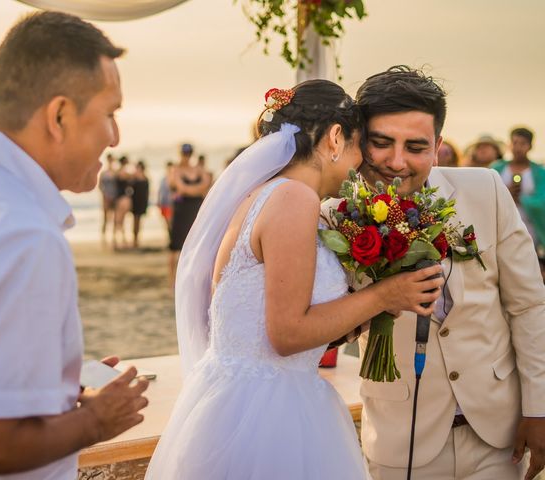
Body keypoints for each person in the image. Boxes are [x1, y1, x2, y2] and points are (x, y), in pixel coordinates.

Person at [145, 80, 444, 479]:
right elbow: (286, 334)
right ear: (336, 138)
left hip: (238, 401)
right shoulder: (294, 198)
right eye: (358, 146)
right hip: (269, 412)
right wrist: (384, 295)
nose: (360, 163)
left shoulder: (269, 193)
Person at [0, 12, 149, 480]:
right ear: (59, 116)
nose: (114, 137)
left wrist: (53, 380)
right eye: (109, 114)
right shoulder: (23, 238)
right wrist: (96, 419)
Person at [355, 65, 545, 480]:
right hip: (400, 437)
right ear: (360, 141)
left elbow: (529, 305)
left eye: (416, 146)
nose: (397, 161)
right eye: (382, 143)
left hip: (499, 435)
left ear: (438, 144)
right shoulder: (335, 215)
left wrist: (539, 407)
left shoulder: (485, 190)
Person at [490, 127, 545, 267]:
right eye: (515, 142)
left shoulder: (539, 172)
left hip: (529, 228)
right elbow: (487, 194)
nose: (518, 147)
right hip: (500, 225)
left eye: (523, 143)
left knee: (526, 264)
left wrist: (521, 199)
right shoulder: (496, 168)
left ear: (530, 146)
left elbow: (541, 201)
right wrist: (506, 193)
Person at [168, 143, 210, 287]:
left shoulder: (197, 169)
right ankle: (172, 280)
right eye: (184, 153)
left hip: (196, 209)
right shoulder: (175, 169)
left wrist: (188, 190)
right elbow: (181, 187)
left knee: (196, 243)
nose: (186, 156)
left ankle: (192, 278)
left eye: (189, 153)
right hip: (181, 210)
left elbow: (206, 184)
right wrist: (196, 190)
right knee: (175, 246)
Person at [99, 153, 119, 246]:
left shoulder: (115, 172)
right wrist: (104, 195)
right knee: (105, 219)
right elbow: (100, 186)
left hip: (115, 197)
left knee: (115, 218)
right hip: (106, 198)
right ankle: (104, 239)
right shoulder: (104, 173)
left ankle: (114, 238)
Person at [113, 155, 133, 250]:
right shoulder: (123, 172)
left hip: (120, 198)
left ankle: (118, 241)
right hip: (123, 198)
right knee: (120, 221)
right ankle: (121, 241)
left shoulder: (117, 172)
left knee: (118, 221)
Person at [130, 160, 150, 248]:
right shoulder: (135, 178)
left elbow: (147, 192)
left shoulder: (145, 178)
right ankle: (135, 240)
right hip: (136, 201)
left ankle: (137, 239)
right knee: (135, 221)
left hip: (141, 202)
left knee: (138, 221)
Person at [157, 161, 174, 239]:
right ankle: (170, 237)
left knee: (171, 222)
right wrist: (159, 202)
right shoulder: (163, 179)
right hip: (164, 203)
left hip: (171, 204)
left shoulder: (174, 179)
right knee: (167, 223)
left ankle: (172, 238)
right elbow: (160, 191)